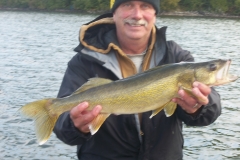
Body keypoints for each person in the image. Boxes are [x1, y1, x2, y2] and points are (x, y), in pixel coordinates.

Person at [53, 0, 221, 159]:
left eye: (145, 6)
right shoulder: (84, 61)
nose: (137, 15)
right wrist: (74, 126)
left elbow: (211, 112)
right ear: (114, 13)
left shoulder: (176, 57)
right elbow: (63, 129)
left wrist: (199, 107)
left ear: (155, 14)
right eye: (127, 4)